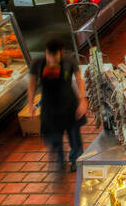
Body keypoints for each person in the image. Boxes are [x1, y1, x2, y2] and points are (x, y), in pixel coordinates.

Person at [28, 38, 88, 172]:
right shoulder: (37, 63)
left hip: (69, 104)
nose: (52, 59)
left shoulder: (69, 61)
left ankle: (76, 160)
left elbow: (79, 79)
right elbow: (32, 83)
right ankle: (59, 161)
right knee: (53, 138)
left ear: (61, 52)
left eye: (55, 56)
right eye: (49, 55)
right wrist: (30, 103)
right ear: (46, 52)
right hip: (50, 107)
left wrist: (82, 100)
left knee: (74, 136)